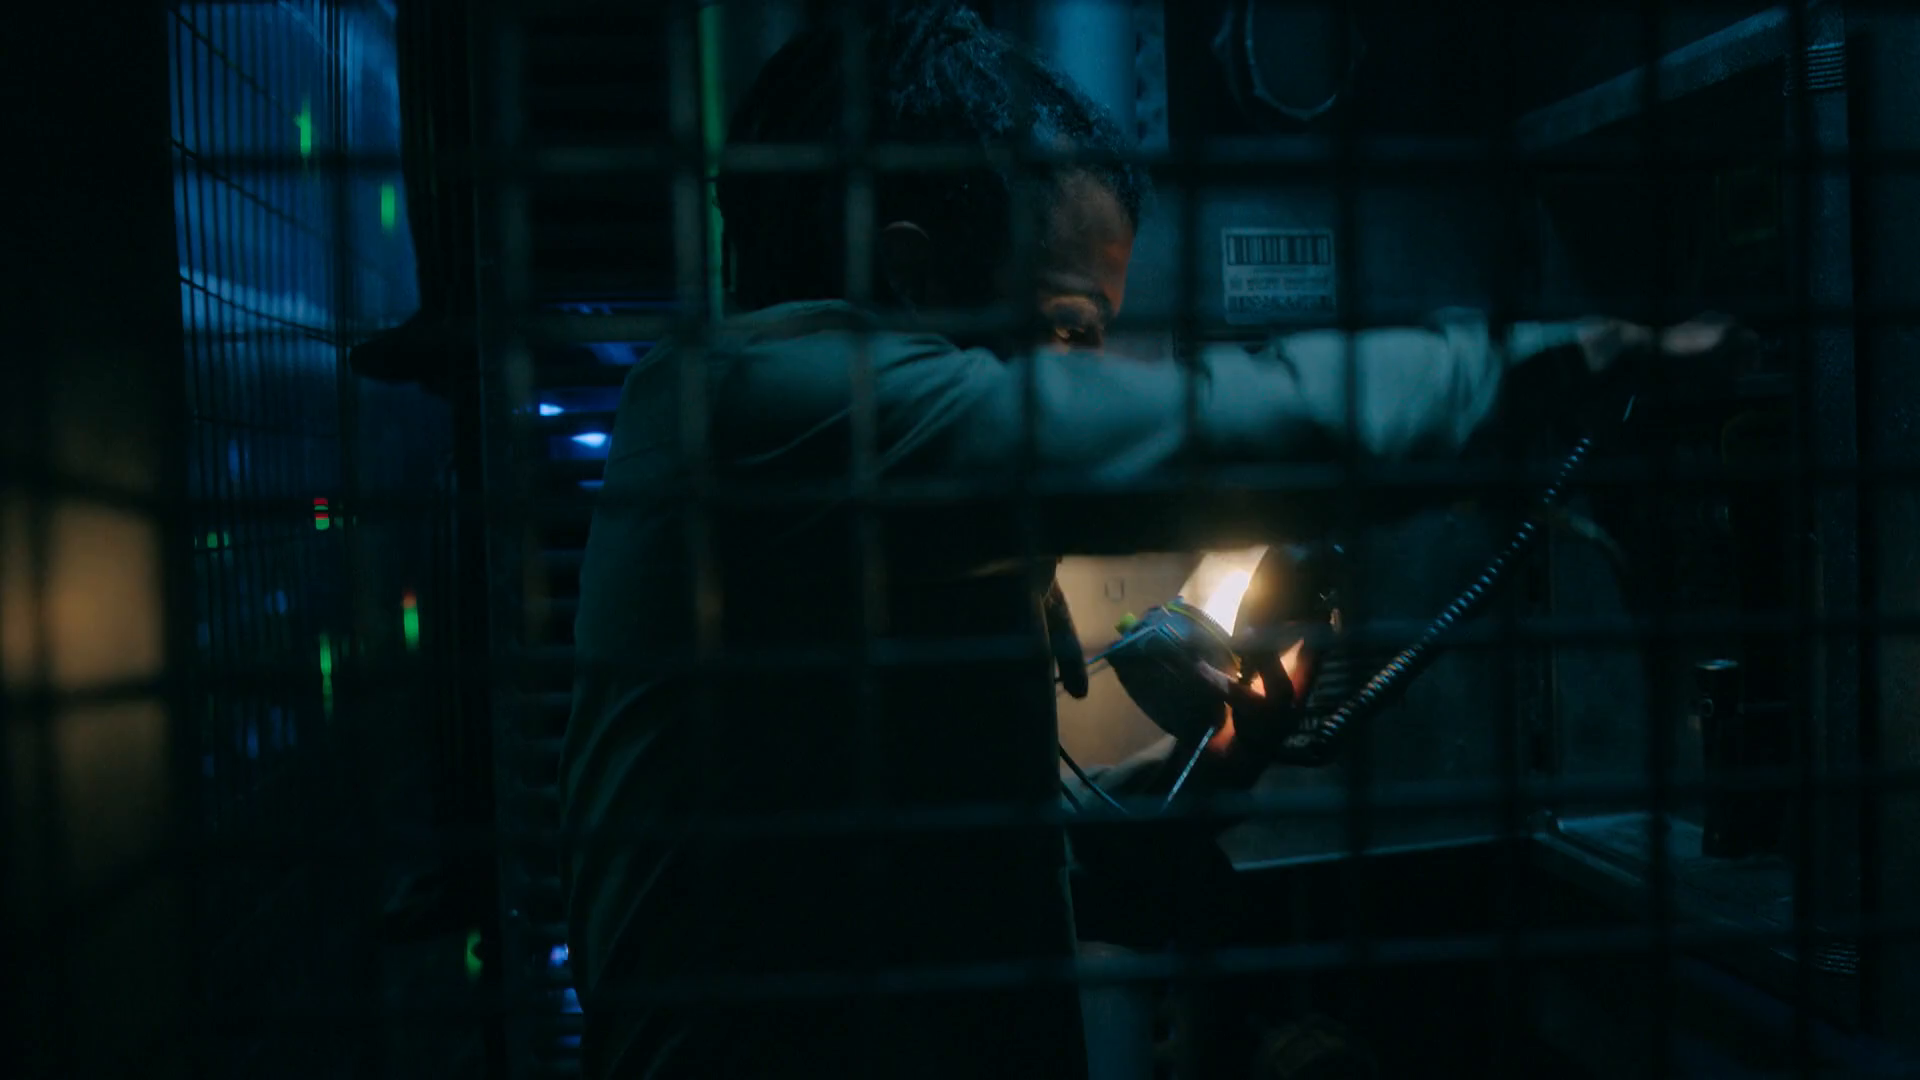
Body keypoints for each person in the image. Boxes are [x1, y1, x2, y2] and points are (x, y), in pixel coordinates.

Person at [559, 3, 1738, 1077]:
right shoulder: (757, 408)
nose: (1091, 375)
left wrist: (1212, 769)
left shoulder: (862, 517)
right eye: (1069, 331)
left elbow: (973, 885)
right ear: (909, 275)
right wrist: (1573, 358)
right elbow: (1212, 430)